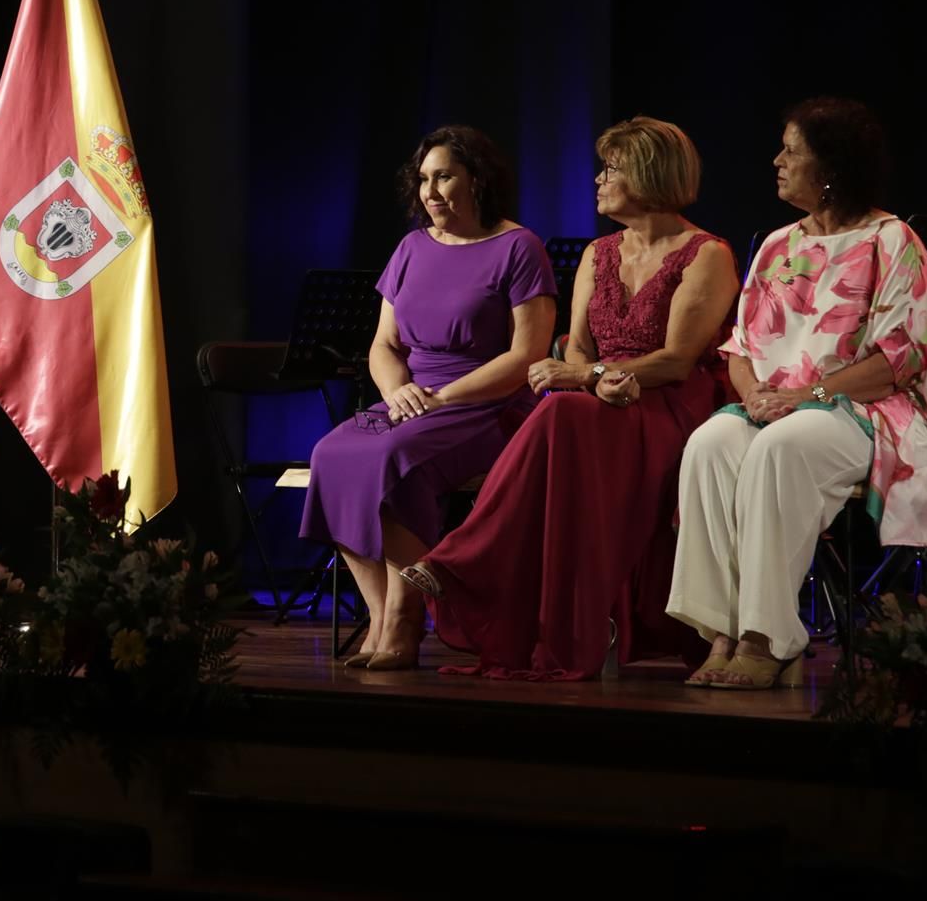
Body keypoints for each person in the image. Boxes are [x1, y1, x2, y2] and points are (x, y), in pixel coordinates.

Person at [402, 117, 738, 679]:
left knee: (559, 409)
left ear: (650, 175)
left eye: (613, 168)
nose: (599, 179)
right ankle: (480, 574)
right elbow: (576, 346)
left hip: (669, 405)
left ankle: (463, 560)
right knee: (562, 414)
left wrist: (588, 378)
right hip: (597, 403)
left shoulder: (706, 254)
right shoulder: (598, 254)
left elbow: (678, 359)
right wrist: (590, 377)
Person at [666, 97, 927, 689]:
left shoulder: (892, 241)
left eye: (792, 151)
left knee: (784, 447)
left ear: (830, 168)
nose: (776, 161)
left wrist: (808, 393)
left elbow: (898, 361)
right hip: (777, 405)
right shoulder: (778, 245)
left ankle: (769, 636)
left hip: (867, 410)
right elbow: (742, 350)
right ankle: (723, 629)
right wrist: (755, 394)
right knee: (710, 443)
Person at [299, 126, 556, 671]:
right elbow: (384, 345)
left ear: (477, 181)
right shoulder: (412, 247)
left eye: (444, 177)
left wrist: (443, 398)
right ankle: (382, 615)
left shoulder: (518, 247)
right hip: (411, 398)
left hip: (488, 403)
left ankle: (406, 620)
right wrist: (398, 393)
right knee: (331, 456)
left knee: (394, 461)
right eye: (423, 179)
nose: (431, 191)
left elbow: (525, 357)